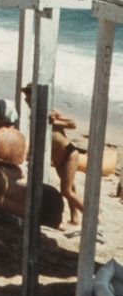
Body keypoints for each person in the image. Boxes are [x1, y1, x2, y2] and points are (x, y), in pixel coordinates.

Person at [21, 84, 85, 227]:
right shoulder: (35, 114)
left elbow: (73, 124)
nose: (26, 100)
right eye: (25, 98)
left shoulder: (51, 111)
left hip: (68, 153)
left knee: (66, 191)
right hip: (57, 158)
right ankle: (75, 218)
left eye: (28, 97)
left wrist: (55, 121)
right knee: (70, 188)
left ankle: (92, 217)